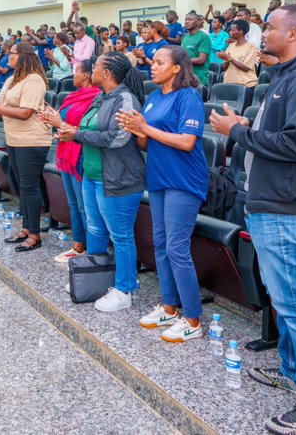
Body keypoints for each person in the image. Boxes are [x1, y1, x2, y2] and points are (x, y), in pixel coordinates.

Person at [208, 4, 296, 435]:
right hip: (270, 200)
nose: (265, 33)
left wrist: (238, 133)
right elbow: (279, 131)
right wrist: (247, 122)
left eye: (273, 27)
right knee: (285, 301)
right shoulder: (284, 75)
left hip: (287, 207)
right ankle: (293, 371)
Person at [119, 46, 209, 342]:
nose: (152, 66)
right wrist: (137, 131)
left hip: (183, 181)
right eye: (153, 62)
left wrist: (146, 127)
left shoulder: (189, 97)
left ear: (176, 68)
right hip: (158, 178)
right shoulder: (154, 98)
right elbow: (147, 145)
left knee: (176, 248)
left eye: (159, 62)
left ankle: (193, 319)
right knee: (160, 244)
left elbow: (186, 141)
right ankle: (169, 307)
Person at [53, 52, 145, 310]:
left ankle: (125, 290)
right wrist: (69, 131)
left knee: (121, 235)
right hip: (93, 175)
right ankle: (95, 280)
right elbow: (85, 130)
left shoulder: (125, 99)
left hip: (118, 178)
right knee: (95, 228)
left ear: (105, 73)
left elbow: (117, 138)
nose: (91, 69)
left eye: (95, 67)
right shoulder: (100, 96)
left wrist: (77, 135)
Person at [0, 41, 50, 252]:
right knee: (20, 185)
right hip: (14, 139)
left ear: (24, 56)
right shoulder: (11, 78)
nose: (8, 56)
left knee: (29, 186)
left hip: (32, 140)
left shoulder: (35, 80)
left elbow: (26, 112)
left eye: (12, 53)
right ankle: (26, 228)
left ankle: (35, 234)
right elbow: (3, 110)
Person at [40, 59, 98, 262]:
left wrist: (60, 122)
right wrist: (53, 119)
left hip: (81, 154)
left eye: (76, 71)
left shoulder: (96, 98)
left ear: (86, 75)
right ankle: (78, 245)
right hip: (66, 153)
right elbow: (63, 123)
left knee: (84, 206)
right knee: (73, 203)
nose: (72, 75)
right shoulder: (72, 96)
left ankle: (92, 250)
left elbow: (85, 127)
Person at [219, 19, 259, 87]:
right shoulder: (231, 46)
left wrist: (230, 58)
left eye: (232, 30)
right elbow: (224, 67)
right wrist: (226, 61)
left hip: (245, 85)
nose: (230, 32)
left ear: (240, 31)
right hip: (229, 83)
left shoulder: (251, 47)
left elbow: (246, 68)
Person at [179, 13, 212, 87]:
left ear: (198, 22)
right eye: (186, 19)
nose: (187, 21)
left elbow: (201, 60)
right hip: (184, 78)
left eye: (190, 20)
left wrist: (182, 60)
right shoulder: (185, 37)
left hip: (198, 79)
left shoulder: (203, 37)